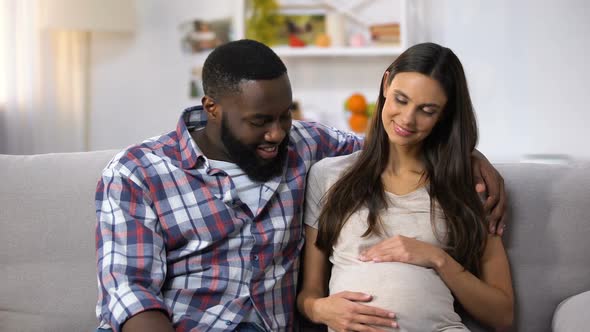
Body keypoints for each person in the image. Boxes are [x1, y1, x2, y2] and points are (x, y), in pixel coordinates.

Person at [95, 39, 507, 332]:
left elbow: (393, 145)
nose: (277, 134)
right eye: (260, 122)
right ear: (213, 109)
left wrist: (471, 158)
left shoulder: (309, 147)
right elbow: (130, 294)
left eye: (285, 116)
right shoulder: (138, 172)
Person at [297, 42, 514, 332]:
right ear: (386, 83)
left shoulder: (468, 186)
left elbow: (502, 316)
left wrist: (437, 258)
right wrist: (320, 309)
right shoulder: (329, 176)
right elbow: (309, 294)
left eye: (426, 109)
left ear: (444, 115)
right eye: (401, 99)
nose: (408, 119)